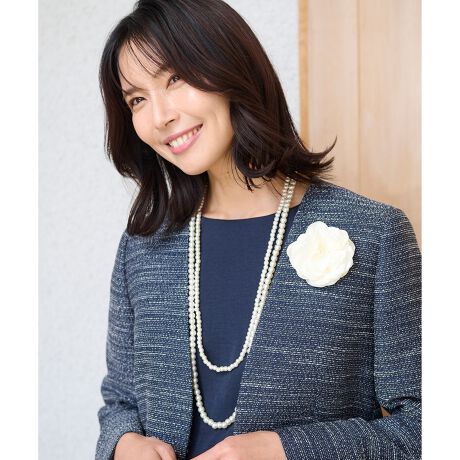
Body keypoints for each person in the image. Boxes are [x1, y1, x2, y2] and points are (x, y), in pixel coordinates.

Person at [95, 1, 421, 459]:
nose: (159, 116)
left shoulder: (375, 235)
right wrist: (124, 443)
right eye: (137, 99)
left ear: (230, 67)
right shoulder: (143, 248)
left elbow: (424, 428)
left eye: (175, 78)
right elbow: (120, 402)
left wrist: (285, 450)